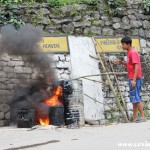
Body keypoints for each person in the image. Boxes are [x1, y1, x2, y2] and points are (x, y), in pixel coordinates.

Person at [115, 37, 146, 122]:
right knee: (134, 98)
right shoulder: (129, 52)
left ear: (128, 44)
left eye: (123, 44)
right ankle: (134, 117)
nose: (122, 46)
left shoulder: (132, 52)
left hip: (134, 78)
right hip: (132, 78)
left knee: (136, 97)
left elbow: (136, 67)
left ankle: (143, 117)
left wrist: (134, 80)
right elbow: (130, 64)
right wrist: (121, 62)